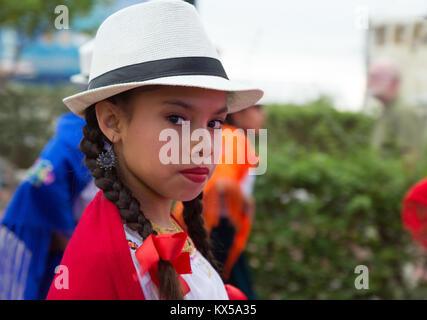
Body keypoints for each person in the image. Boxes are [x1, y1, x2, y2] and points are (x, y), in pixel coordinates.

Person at [46, 0, 263, 300]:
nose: (202, 146)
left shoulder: (160, 229)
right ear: (112, 121)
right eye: (176, 119)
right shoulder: (105, 262)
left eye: (215, 122)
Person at [0, 39, 96, 300]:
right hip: (33, 234)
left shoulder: (84, 133)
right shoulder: (74, 136)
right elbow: (40, 183)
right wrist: (69, 235)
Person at [366, 58, 425, 167]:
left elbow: (411, 159)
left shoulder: (403, 112)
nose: (368, 82)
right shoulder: (386, 112)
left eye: (374, 77)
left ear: (393, 81)